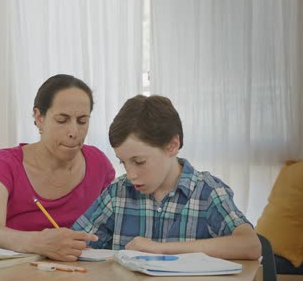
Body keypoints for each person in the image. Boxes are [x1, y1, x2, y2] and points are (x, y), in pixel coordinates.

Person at [72, 95, 261, 260]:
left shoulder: (208, 192)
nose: (130, 175)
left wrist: (159, 249)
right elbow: (77, 243)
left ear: (172, 146)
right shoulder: (117, 194)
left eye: (139, 162)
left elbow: (250, 245)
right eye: (123, 162)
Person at [0, 74, 115, 261]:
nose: (74, 132)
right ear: (39, 117)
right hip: (17, 278)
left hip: (83, 278)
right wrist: (39, 243)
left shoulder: (99, 163)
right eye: (62, 120)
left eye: (83, 121)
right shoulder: (4, 164)